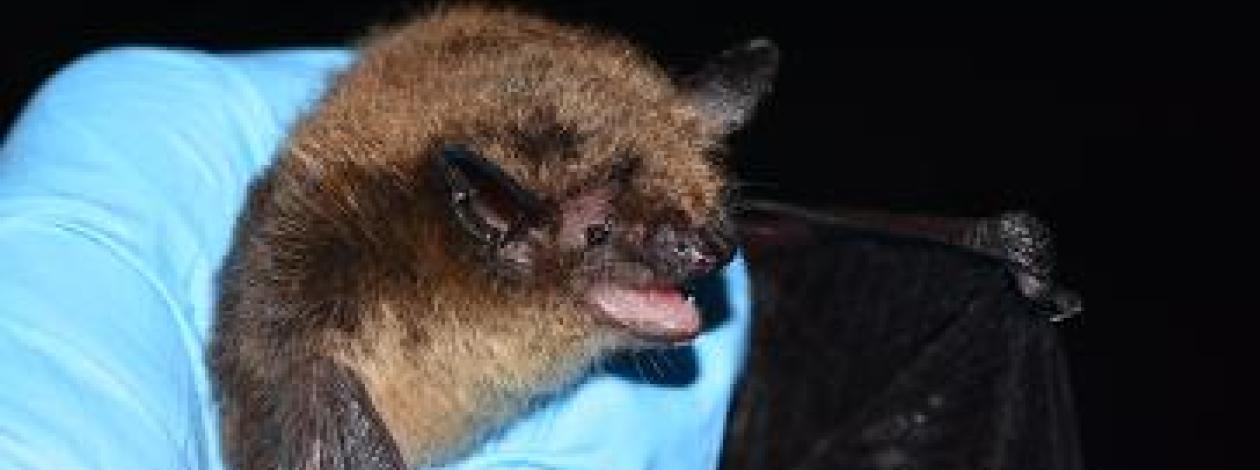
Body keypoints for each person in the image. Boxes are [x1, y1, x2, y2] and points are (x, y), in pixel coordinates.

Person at [0, 47, 751, 469]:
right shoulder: (322, 285)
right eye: (599, 232)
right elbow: (282, 330)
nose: (703, 255)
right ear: (494, 219)